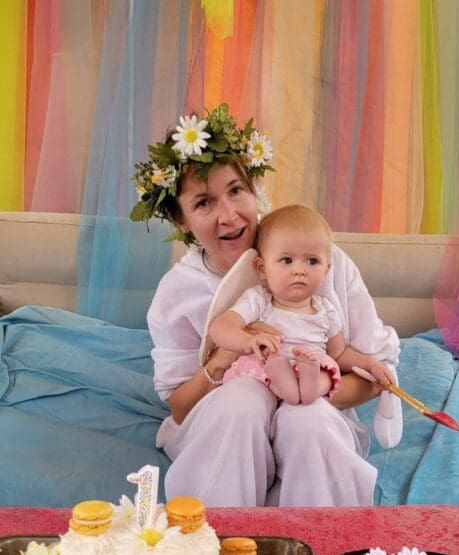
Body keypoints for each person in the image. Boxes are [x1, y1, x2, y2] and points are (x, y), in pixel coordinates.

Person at [131, 103, 402, 507]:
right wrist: (224, 357)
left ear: (254, 188)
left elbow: (373, 374)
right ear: (182, 221)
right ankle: (223, 543)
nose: (228, 216)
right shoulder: (178, 291)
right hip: (225, 418)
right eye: (204, 203)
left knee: (307, 423)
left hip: (314, 402)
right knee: (242, 402)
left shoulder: (320, 260)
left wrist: (306, 391)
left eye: (236, 191)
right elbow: (181, 406)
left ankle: (320, 548)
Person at [207, 203, 399, 447]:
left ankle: (304, 389)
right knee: (258, 370)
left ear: (327, 268)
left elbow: (339, 353)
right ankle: (289, 385)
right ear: (262, 268)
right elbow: (219, 327)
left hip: (309, 365)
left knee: (327, 370)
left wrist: (370, 364)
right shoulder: (259, 300)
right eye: (286, 260)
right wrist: (247, 340)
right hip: (269, 365)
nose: (299, 270)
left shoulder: (326, 310)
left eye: (312, 261)